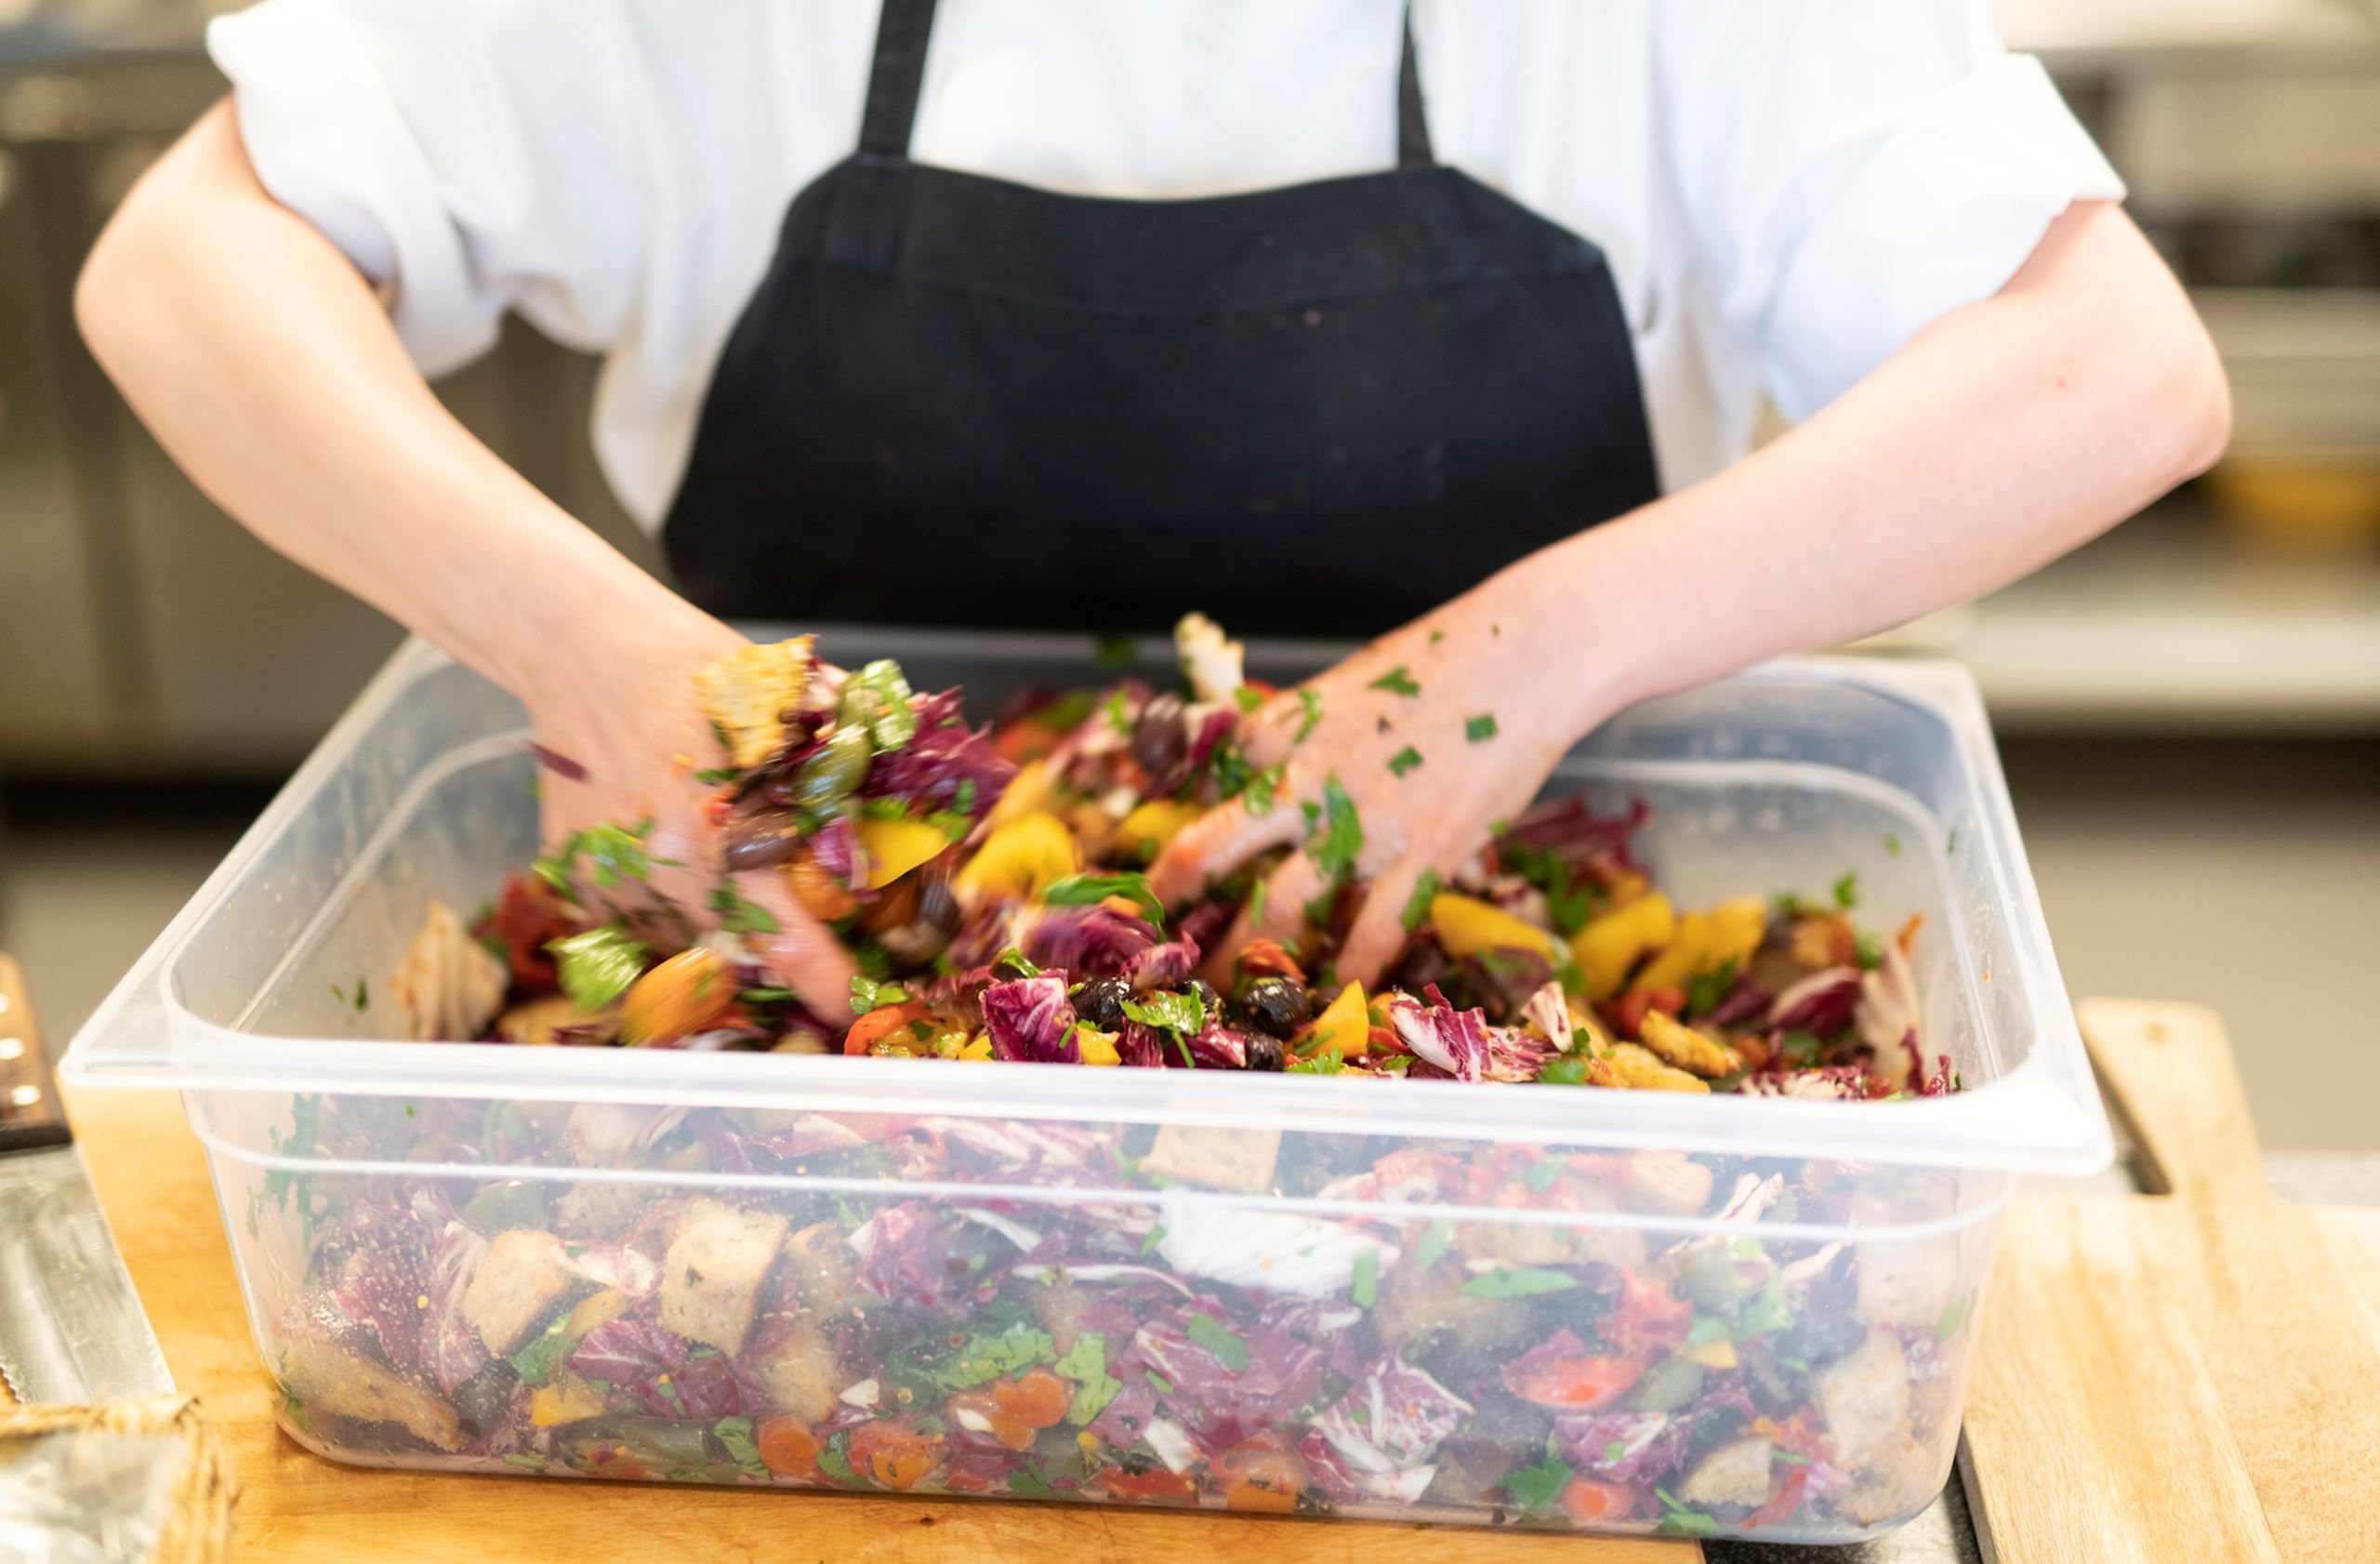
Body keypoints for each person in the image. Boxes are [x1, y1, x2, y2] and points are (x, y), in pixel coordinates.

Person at [75, 0, 2228, 1024]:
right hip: (794, 930)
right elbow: (184, 263)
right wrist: (581, 645)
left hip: (1503, 927)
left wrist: (1524, 654)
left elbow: (2110, 367)